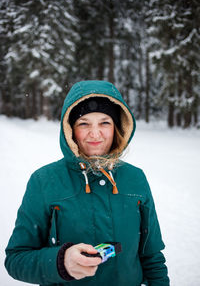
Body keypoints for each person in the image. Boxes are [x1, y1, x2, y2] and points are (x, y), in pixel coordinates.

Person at [5, 80, 170, 285]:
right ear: (70, 130)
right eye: (84, 123)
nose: (95, 133)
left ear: (117, 127)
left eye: (104, 122)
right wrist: (60, 262)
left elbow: (152, 256)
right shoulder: (44, 181)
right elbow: (16, 259)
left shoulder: (135, 178)